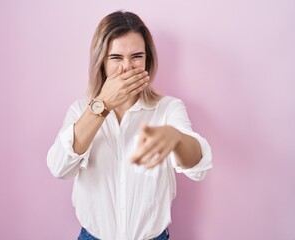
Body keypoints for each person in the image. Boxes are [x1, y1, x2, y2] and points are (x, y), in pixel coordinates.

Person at [47, 10, 212, 240]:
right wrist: (102, 104)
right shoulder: (79, 110)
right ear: (102, 62)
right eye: (116, 58)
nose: (127, 67)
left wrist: (176, 137)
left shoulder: (168, 109)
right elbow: (59, 167)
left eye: (136, 56)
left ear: (147, 60)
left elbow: (199, 168)